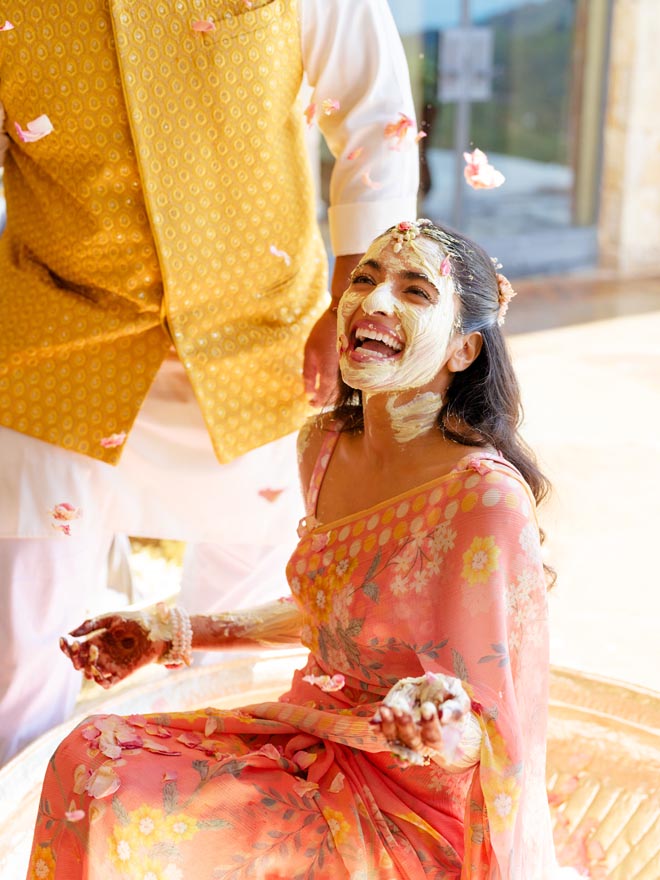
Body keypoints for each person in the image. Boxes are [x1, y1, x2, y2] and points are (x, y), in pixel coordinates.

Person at [27, 220, 561, 879]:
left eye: (415, 290)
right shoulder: (324, 450)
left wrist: (435, 730)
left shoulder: (483, 500)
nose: (373, 300)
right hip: (308, 738)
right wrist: (171, 631)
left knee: (146, 817)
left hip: (412, 806)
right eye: (363, 279)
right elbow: (333, 617)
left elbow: (491, 723)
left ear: (464, 349)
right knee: (89, 759)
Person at [0, 0, 419, 763]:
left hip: (260, 340)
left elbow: (373, 112)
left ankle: (189, 805)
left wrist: (351, 293)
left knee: (241, 617)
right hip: (58, 334)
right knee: (19, 633)